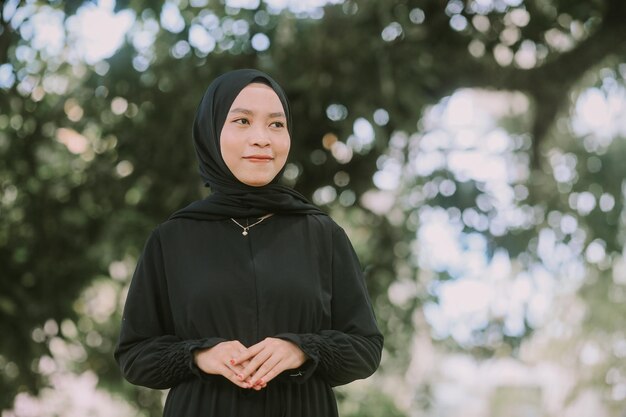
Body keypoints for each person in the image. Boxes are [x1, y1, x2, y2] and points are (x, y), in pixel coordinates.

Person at [114, 68, 383, 417]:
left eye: (276, 124)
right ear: (211, 132)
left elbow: (365, 348)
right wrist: (200, 355)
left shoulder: (322, 234)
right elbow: (134, 354)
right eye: (242, 121)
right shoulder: (172, 238)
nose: (262, 138)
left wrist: (300, 349)